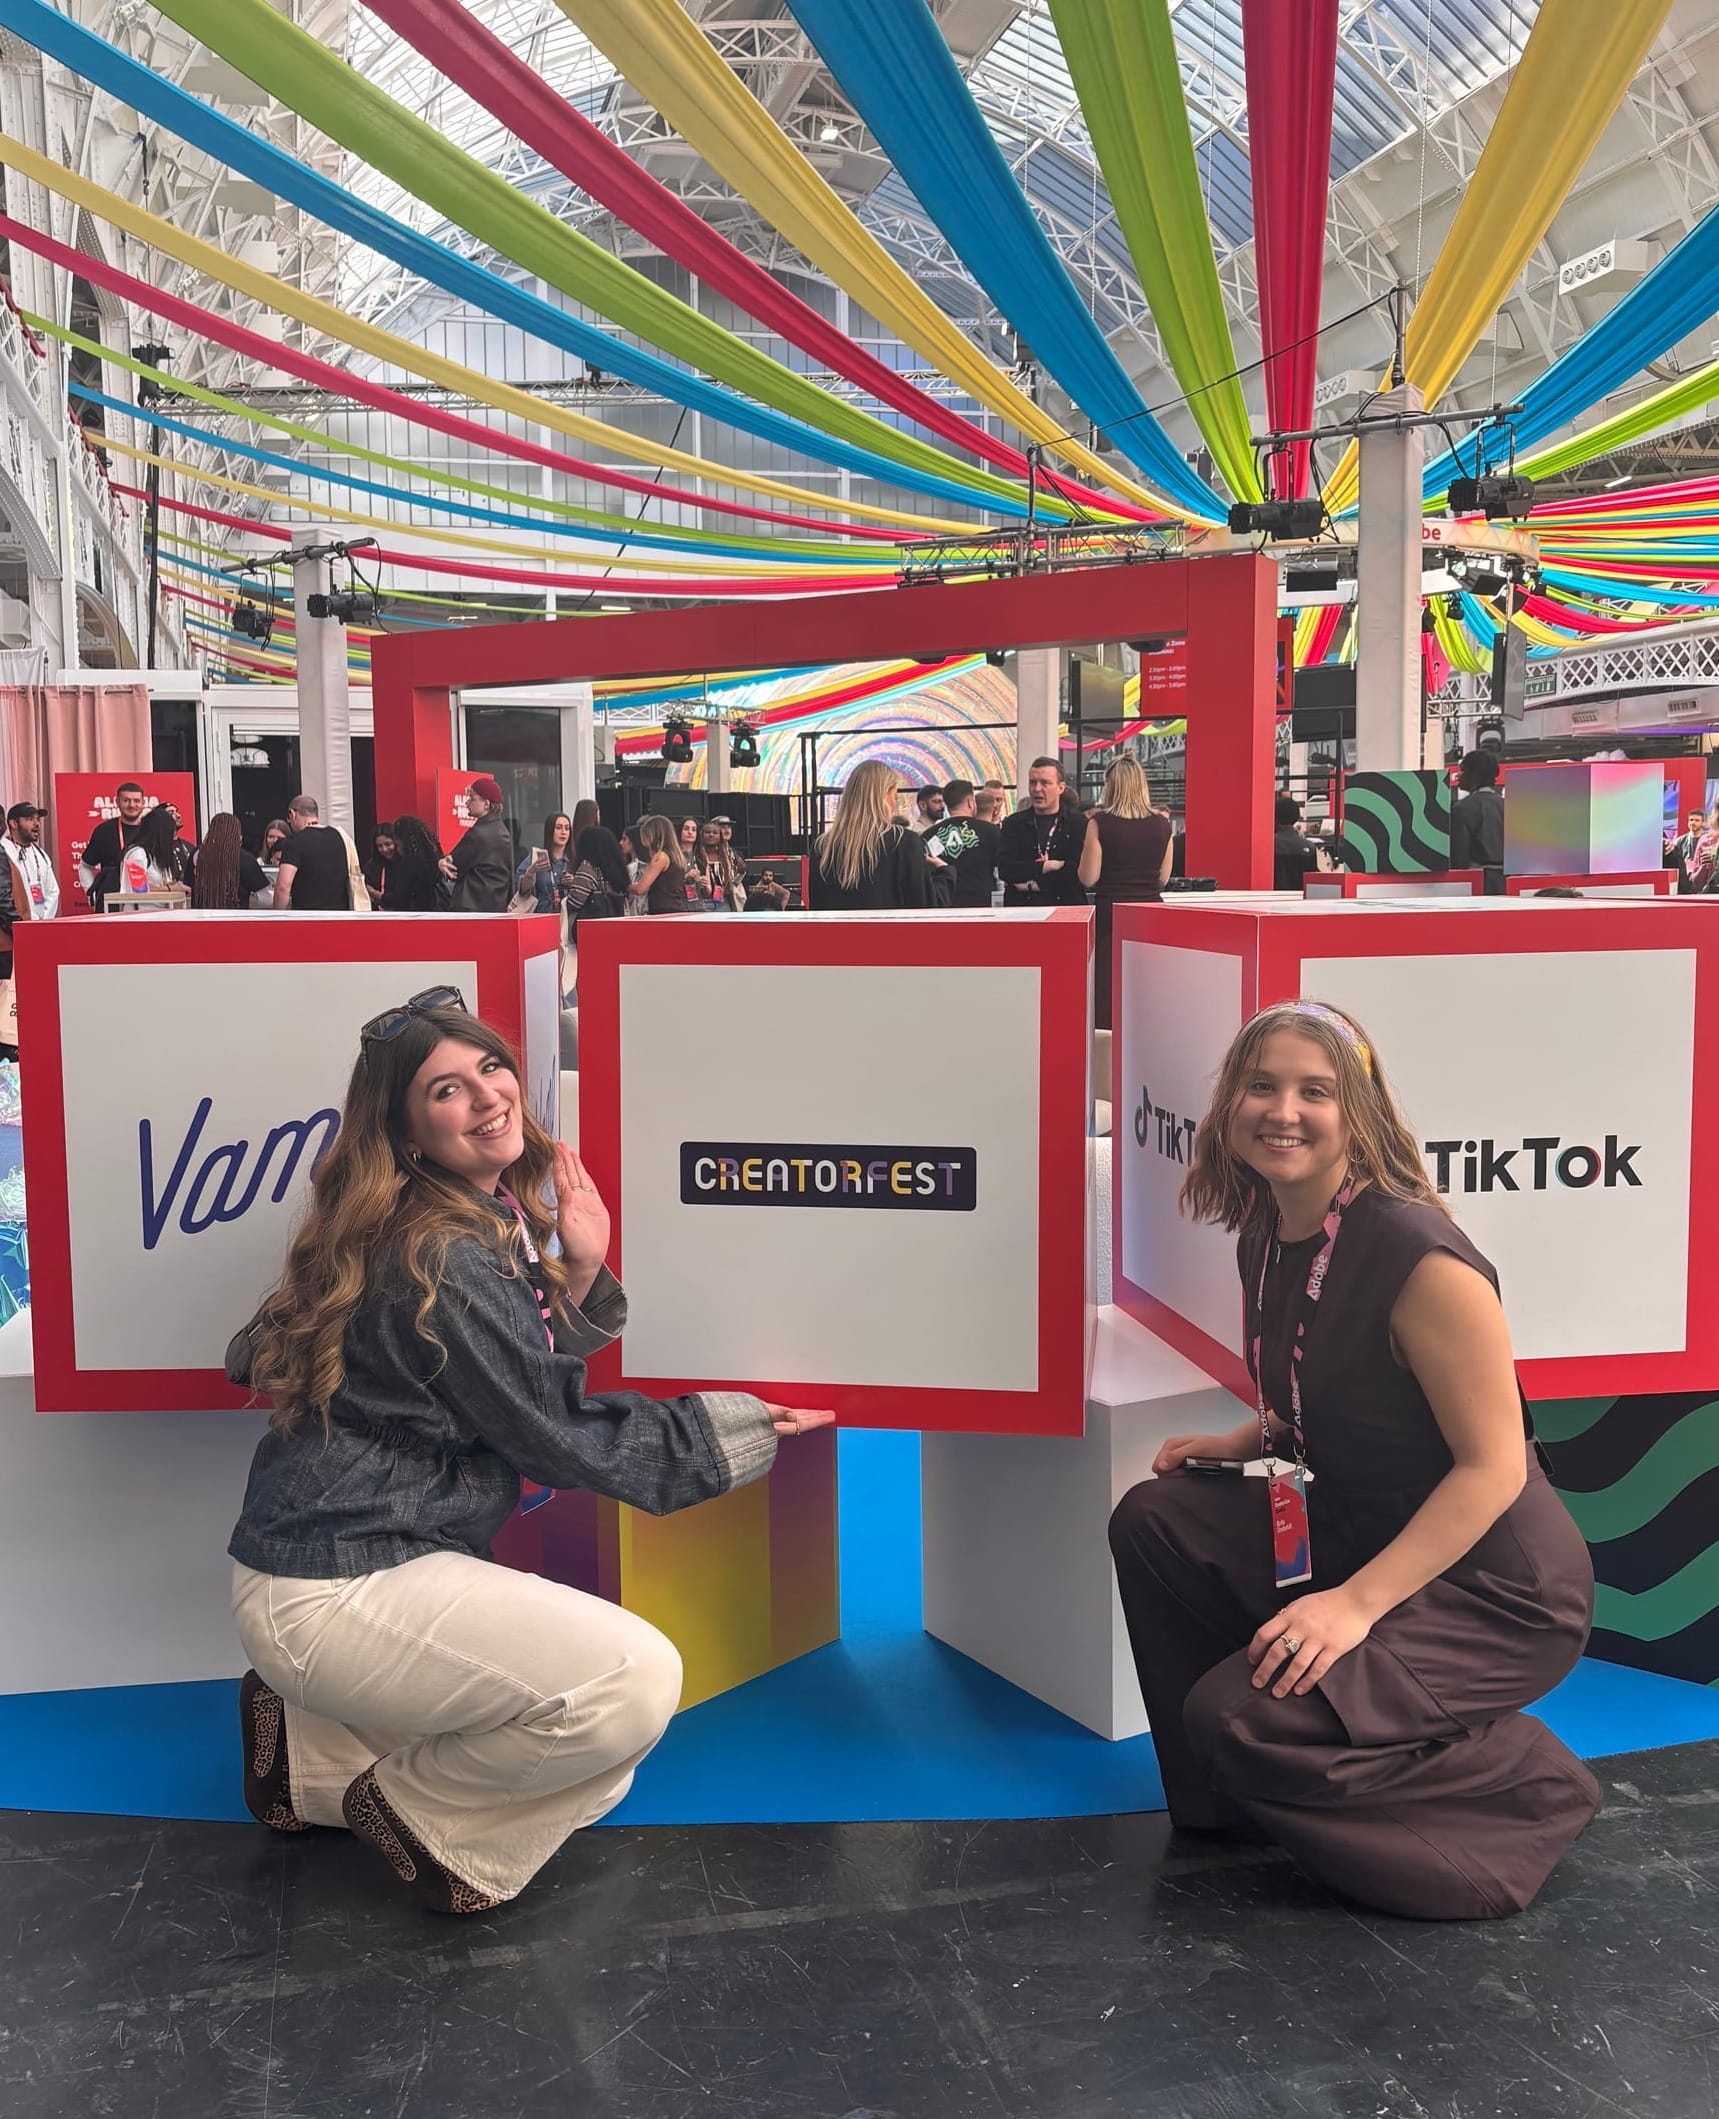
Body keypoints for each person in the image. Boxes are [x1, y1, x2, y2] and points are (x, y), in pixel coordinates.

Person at [225, 987, 832, 1911]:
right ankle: (420, 1816)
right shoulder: (445, 1249)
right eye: (446, 1090)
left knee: (591, 1772)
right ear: (406, 1130)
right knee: (629, 1689)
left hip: (338, 1559)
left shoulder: (454, 1215)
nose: (486, 1096)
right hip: (338, 1583)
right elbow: (554, 1431)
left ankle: (310, 1755)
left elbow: (491, 1380)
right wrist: (734, 1429)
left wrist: (577, 1269)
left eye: (490, 1067)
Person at [1107, 999, 1598, 1921]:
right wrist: (1247, 1439)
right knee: (1153, 1518)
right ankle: (1228, 1801)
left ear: (1357, 1113)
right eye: (1261, 1085)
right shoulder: (1267, 1228)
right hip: (1360, 1525)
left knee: (1238, 1718)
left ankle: (1523, 1781)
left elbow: (1493, 1467)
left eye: (1315, 1091)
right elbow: (1332, 1387)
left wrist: (1353, 1604)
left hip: (1492, 1589)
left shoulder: (1421, 1258)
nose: (1281, 1110)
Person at [1078, 757, 1173, 1030]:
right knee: (1148, 987)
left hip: (1111, 915)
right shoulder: (1161, 825)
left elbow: (1088, 877)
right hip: (1151, 914)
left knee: (1109, 991)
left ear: (1111, 786)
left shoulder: (1099, 824)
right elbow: (1163, 877)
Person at [806, 759, 930, 911]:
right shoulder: (905, 842)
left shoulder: (822, 847)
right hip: (889, 926)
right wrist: (946, 874)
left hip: (839, 927)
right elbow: (921, 905)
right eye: (895, 797)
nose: (894, 804)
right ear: (886, 795)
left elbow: (817, 908)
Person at [996, 758, 1088, 908]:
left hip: (1066, 910)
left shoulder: (1077, 822)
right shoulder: (1013, 823)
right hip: (1022, 910)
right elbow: (1006, 869)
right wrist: (1045, 866)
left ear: (1060, 788)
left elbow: (1075, 872)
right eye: (1033, 782)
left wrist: (1033, 885)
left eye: (1045, 783)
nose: (1037, 789)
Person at [923, 779, 999, 909]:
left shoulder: (929, 835)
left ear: (947, 805)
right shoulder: (991, 832)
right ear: (970, 803)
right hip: (981, 908)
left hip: (944, 907)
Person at [443, 776, 515, 913]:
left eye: (472, 798)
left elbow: (453, 866)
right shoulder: (504, 833)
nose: (467, 802)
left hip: (470, 905)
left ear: (486, 804)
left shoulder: (477, 834)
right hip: (497, 905)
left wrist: (442, 863)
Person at [78, 780, 150, 911]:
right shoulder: (104, 831)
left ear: (143, 803)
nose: (131, 805)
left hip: (146, 903)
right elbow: (85, 866)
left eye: (136, 801)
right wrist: (92, 893)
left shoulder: (151, 831)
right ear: (117, 802)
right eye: (126, 800)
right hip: (110, 902)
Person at [275, 795, 354, 911]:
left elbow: (283, 886)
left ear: (293, 814)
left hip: (307, 916)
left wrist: (278, 916)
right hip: (340, 915)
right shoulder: (341, 837)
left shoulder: (294, 842)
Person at [1449, 751, 1506, 894]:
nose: (1458, 776)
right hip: (1509, 883)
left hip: (1478, 884)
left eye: (1462, 771)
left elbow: (1459, 859)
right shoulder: (1510, 806)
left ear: (1474, 775)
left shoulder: (1462, 809)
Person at [191, 812, 269, 909]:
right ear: (236, 833)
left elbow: (187, 886)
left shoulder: (198, 854)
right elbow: (265, 898)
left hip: (201, 915)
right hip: (235, 916)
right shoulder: (245, 859)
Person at [630, 813, 699, 915]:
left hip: (661, 910)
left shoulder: (661, 857)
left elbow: (641, 888)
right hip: (676, 908)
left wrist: (623, 884)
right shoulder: (677, 857)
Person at [564, 825, 630, 929]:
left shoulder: (588, 868)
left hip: (592, 928)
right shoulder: (616, 869)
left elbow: (574, 902)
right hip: (615, 925)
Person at [2, 803, 59, 924]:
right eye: (29, 819)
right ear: (13, 824)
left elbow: (53, 891)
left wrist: (43, 920)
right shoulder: (4, 851)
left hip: (41, 925)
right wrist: (26, 920)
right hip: (14, 924)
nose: (37, 824)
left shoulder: (41, 854)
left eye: (37, 819)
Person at [380, 815, 448, 912]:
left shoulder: (408, 864)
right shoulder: (435, 857)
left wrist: (377, 895)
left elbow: (401, 899)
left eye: (397, 845)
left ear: (404, 841)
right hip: (437, 911)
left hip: (416, 914)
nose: (397, 850)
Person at [517, 813, 576, 916]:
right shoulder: (537, 857)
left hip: (567, 917)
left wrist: (574, 882)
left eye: (567, 828)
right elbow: (522, 891)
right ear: (550, 831)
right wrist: (531, 872)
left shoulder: (575, 860)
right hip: (540, 916)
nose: (563, 832)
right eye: (558, 828)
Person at [687, 818, 744, 911]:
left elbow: (736, 881)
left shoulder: (729, 855)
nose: (711, 835)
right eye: (708, 832)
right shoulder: (694, 854)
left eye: (715, 833)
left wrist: (741, 873)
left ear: (720, 836)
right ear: (701, 835)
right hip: (700, 901)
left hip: (723, 901)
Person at [1271, 795, 1324, 894]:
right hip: (1299, 899)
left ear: (1275, 816)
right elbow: (1312, 882)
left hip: (1271, 898)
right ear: (1296, 817)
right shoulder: (1310, 847)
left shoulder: (1269, 845)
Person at [364, 824, 398, 907]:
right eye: (379, 846)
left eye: (388, 844)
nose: (384, 849)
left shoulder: (405, 865)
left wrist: (374, 894)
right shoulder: (371, 866)